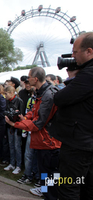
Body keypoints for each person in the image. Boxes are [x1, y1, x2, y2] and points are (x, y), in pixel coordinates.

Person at [5, 67, 61, 200]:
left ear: (35, 79)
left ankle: (50, 195)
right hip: (43, 143)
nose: (26, 80)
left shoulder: (48, 95)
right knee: (45, 175)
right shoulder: (41, 92)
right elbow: (35, 113)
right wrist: (24, 117)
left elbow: (39, 123)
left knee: (51, 176)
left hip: (50, 143)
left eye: (29, 77)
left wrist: (15, 124)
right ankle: (45, 192)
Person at [51, 32, 93, 200]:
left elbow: (60, 98)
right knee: (86, 186)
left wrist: (74, 77)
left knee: (69, 186)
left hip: (78, 144)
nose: (72, 56)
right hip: (85, 142)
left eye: (75, 52)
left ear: (89, 51)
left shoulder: (88, 75)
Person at [3, 86, 24, 175]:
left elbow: (22, 115)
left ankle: (18, 165)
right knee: (11, 145)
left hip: (17, 126)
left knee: (17, 146)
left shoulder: (19, 101)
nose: (5, 95)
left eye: (6, 93)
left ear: (11, 93)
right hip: (9, 126)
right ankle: (12, 163)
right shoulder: (7, 101)